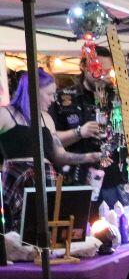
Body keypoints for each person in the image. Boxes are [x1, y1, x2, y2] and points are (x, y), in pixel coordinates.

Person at [0, 68, 101, 233]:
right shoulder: (5, 114)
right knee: (21, 230)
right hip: (18, 182)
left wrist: (89, 157)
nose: (53, 100)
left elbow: (59, 155)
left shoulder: (46, 119)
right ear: (34, 91)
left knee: (48, 228)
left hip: (46, 180)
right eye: (49, 94)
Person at [49, 46, 129, 207]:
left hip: (114, 181)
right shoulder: (62, 98)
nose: (103, 75)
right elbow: (50, 141)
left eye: (107, 71)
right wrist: (79, 132)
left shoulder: (117, 98)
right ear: (84, 67)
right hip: (76, 182)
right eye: (99, 69)